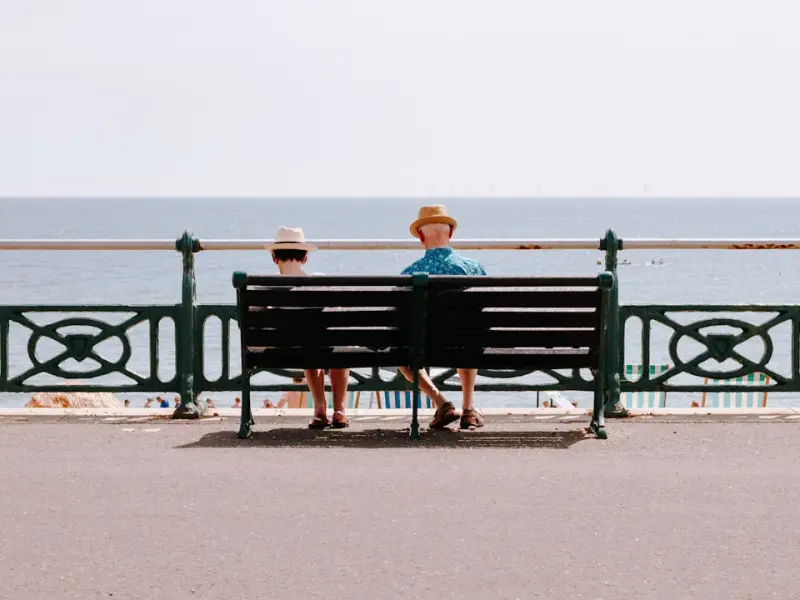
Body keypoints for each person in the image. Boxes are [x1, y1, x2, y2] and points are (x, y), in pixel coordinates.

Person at [398, 205, 487, 430]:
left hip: (424, 347)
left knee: (402, 355)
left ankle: (440, 402)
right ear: (450, 234)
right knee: (469, 339)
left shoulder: (409, 274)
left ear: (420, 236)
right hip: (465, 344)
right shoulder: (474, 269)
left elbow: (398, 319)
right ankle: (469, 410)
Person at [266, 227, 350, 429]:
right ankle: (339, 411)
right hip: (318, 348)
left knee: (307, 345)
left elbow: (251, 317)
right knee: (333, 344)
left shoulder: (265, 287)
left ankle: (320, 409)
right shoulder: (320, 282)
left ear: (274, 258)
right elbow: (338, 317)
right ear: (305, 258)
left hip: (284, 352)